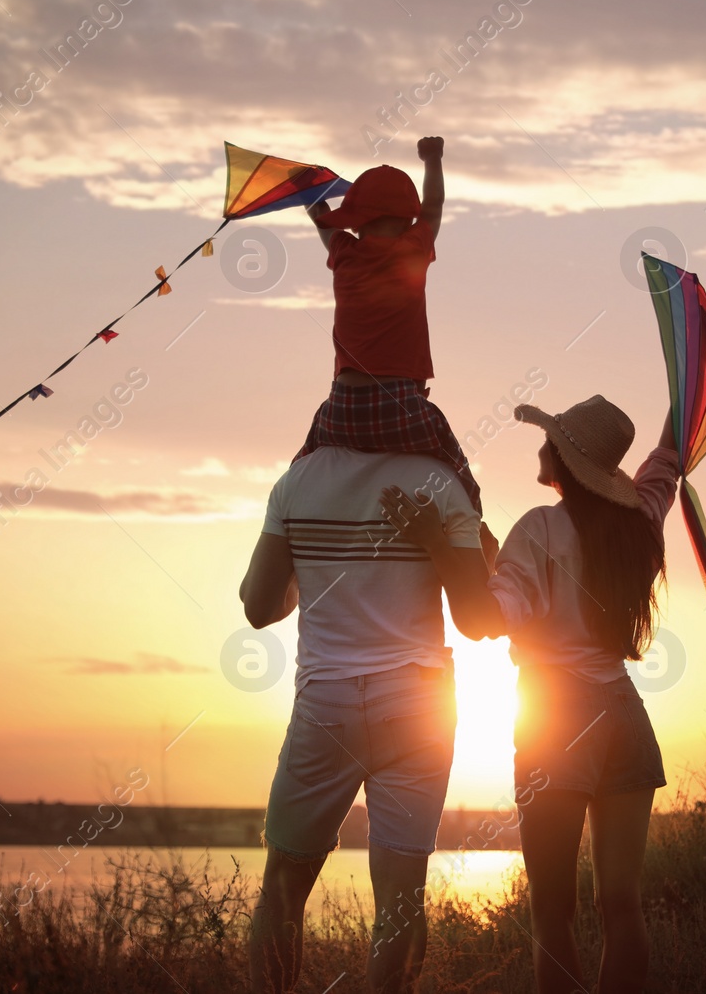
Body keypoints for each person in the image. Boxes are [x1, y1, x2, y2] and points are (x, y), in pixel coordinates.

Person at [379, 394, 678, 994]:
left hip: (556, 720)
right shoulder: (639, 522)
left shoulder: (538, 528)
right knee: (622, 904)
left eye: (553, 439)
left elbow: (482, 620)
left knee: (551, 911)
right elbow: (668, 458)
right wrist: (684, 384)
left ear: (565, 459)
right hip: (624, 715)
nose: (543, 445)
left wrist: (438, 543)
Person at [241, 434, 487, 993]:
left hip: (327, 703)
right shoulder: (442, 480)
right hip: (419, 705)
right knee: (402, 900)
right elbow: (476, 620)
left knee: (283, 886)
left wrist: (309, 570)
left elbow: (258, 608)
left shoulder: (297, 481)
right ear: (417, 385)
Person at [293, 135, 486, 521]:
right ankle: (479, 537)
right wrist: (433, 158)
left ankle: (288, 527)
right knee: (464, 480)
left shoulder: (344, 253)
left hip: (341, 408)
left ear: (357, 220)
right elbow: (434, 206)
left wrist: (303, 188)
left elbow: (320, 216)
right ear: (405, 220)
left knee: (299, 470)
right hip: (401, 406)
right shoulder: (412, 248)